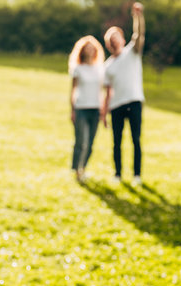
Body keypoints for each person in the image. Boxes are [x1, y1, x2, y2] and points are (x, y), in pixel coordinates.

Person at [101, 2, 145, 186]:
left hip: (134, 102)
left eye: (116, 36)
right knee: (117, 142)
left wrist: (138, 16)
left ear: (122, 38)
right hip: (116, 106)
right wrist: (104, 113)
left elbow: (139, 35)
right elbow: (108, 91)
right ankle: (118, 174)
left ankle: (136, 175)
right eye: (111, 38)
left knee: (135, 139)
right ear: (108, 44)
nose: (114, 40)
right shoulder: (108, 66)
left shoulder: (132, 53)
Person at [68, 35, 106, 182]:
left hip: (95, 109)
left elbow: (102, 90)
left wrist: (103, 108)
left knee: (90, 142)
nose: (89, 51)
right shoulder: (78, 69)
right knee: (81, 141)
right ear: (82, 51)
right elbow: (72, 90)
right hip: (81, 108)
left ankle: (83, 168)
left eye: (92, 48)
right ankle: (76, 169)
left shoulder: (100, 69)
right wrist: (72, 110)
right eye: (87, 49)